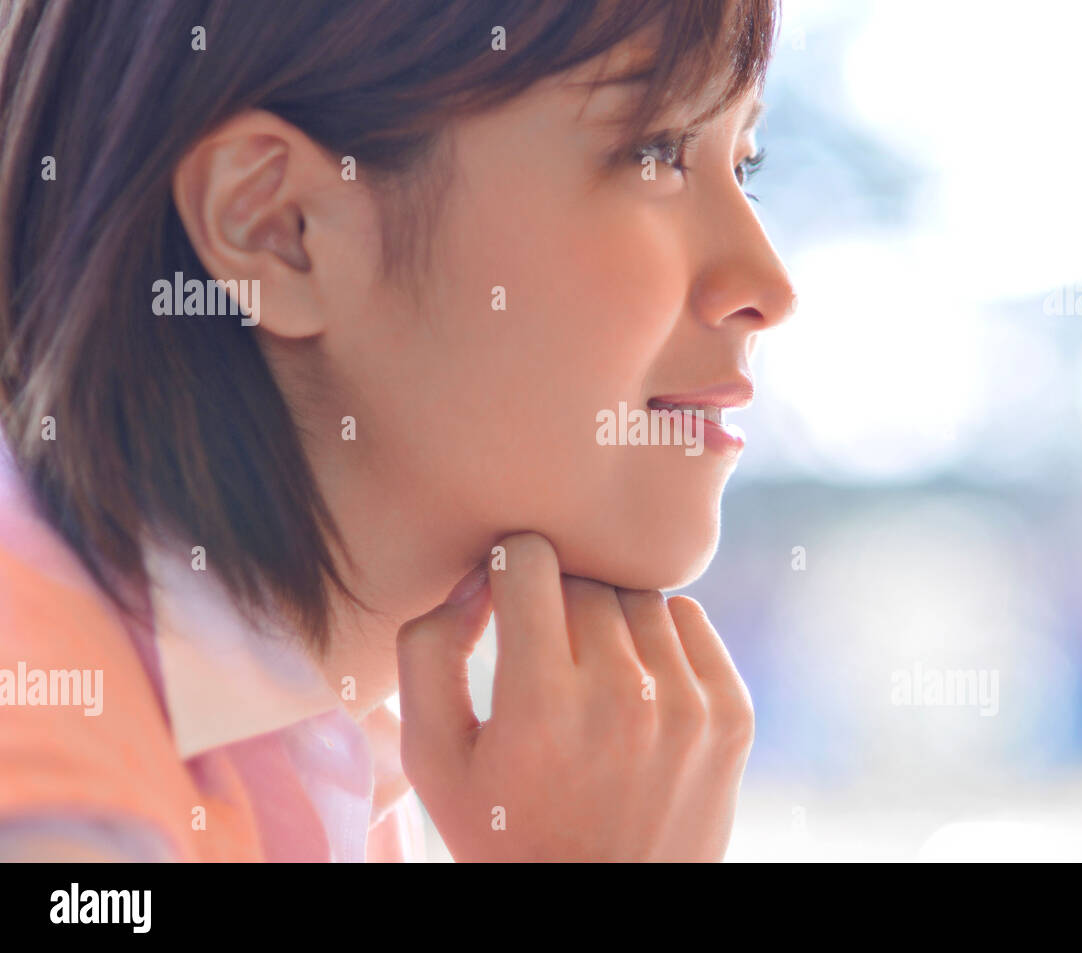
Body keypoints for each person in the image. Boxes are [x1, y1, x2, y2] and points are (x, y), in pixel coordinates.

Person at [0, 0, 796, 861]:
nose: (769, 285)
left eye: (745, 167)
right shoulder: (54, 795)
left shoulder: (330, 754)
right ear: (279, 229)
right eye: (656, 152)